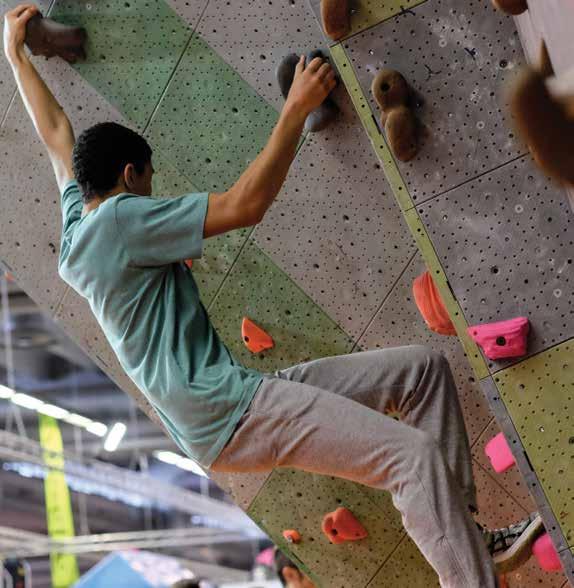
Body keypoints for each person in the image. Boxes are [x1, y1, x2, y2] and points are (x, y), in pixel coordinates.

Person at [3, 5, 544, 587]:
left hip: (226, 404)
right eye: (151, 181)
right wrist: (294, 108)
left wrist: (16, 56)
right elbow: (243, 205)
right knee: (408, 457)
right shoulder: (120, 220)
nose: (155, 195)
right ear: (131, 175)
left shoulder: (79, 228)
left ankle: (464, 541)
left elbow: (55, 134)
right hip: (224, 409)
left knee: (422, 373)